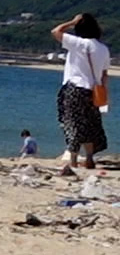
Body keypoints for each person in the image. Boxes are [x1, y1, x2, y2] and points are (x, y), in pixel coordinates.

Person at [52, 13, 109, 172]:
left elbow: (56, 31)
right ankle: (89, 158)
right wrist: (104, 94)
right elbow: (104, 75)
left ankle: (74, 160)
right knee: (90, 124)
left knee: (72, 123)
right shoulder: (103, 48)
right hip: (93, 91)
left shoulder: (78, 43)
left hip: (75, 88)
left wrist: (71, 22)